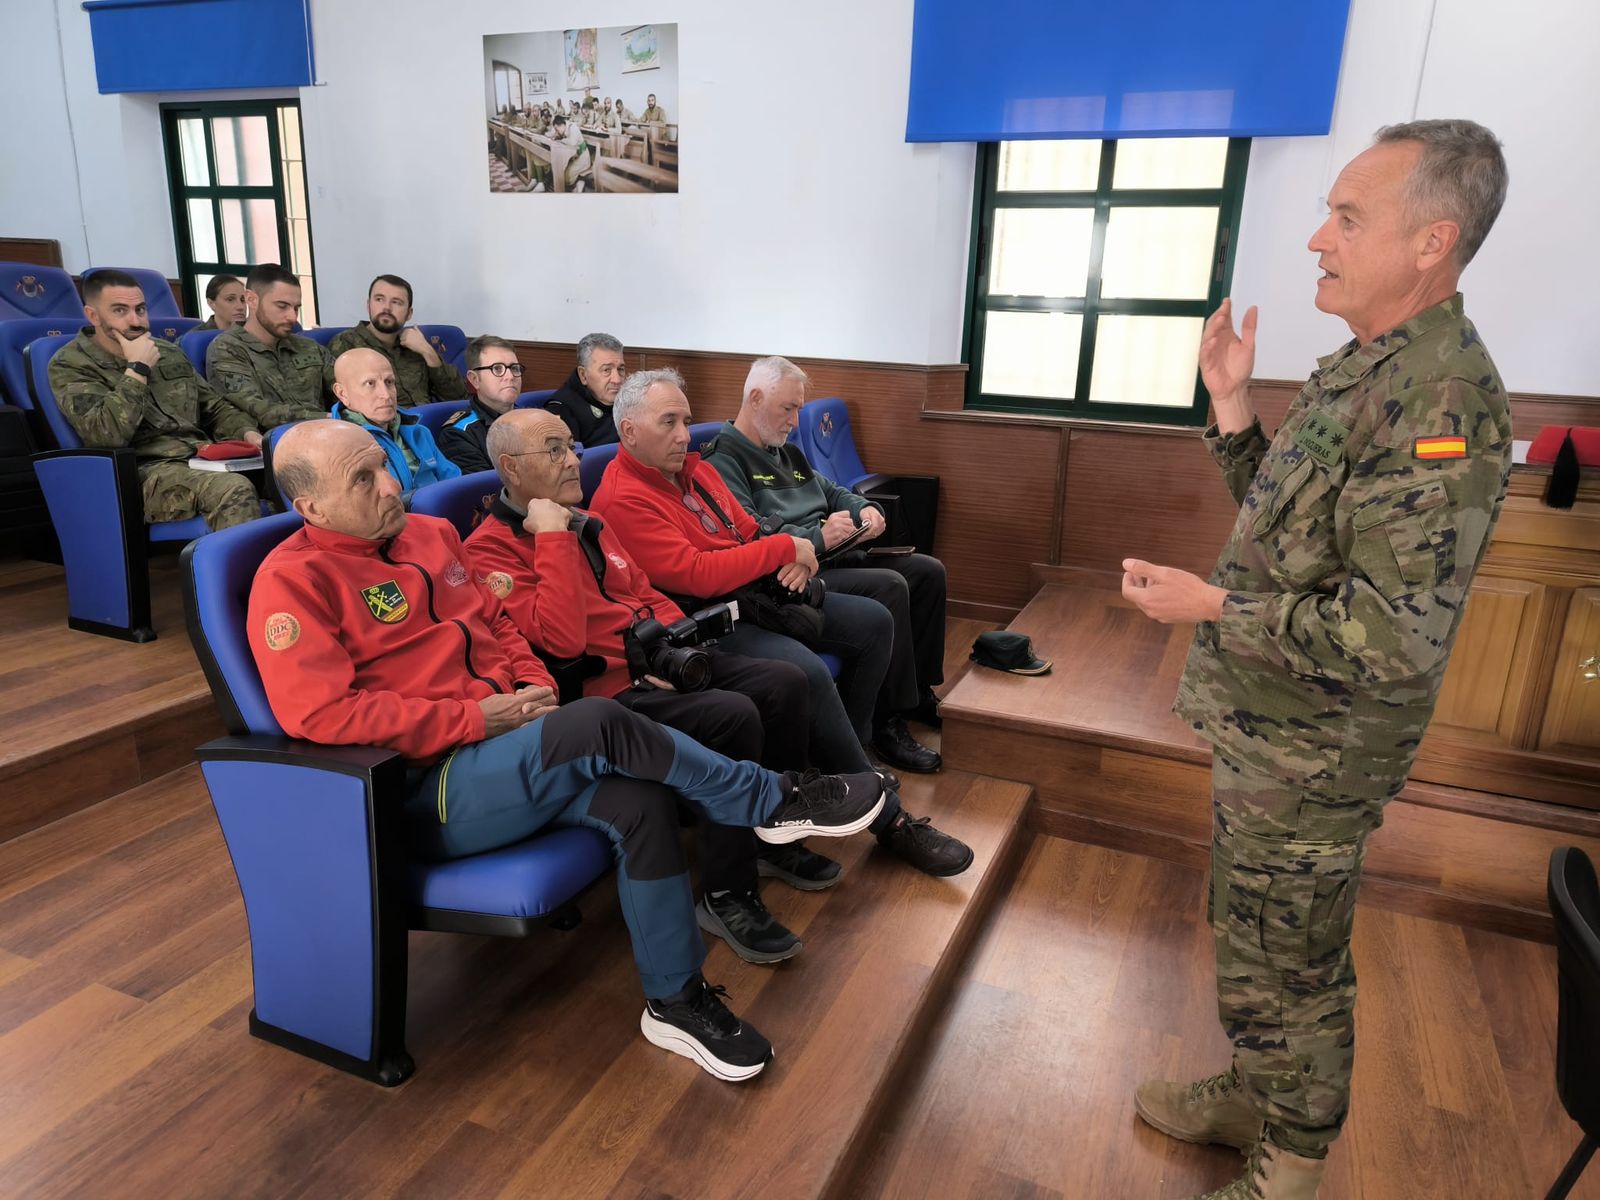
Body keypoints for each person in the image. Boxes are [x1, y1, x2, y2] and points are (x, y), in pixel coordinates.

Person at [1121, 120, 1513, 1200]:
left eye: (1346, 217)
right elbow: (1292, 538)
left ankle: (1289, 1163)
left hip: (1320, 747)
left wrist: (1212, 606)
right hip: (1271, 728)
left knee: (1294, 958)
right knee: (1250, 933)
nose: (1314, 239)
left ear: (1431, 241)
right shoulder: (1366, 367)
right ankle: (1256, 1093)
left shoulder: (1442, 404)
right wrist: (1234, 408)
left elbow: (1388, 635)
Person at [251, 419, 884, 1081]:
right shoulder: (292, 582)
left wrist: (532, 681)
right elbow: (321, 713)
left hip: (508, 743)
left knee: (638, 801)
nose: (391, 484)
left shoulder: (432, 536)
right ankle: (772, 799)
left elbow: (496, 624)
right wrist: (470, 719)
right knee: (600, 721)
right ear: (311, 507)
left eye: (384, 463)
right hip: (425, 788)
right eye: (363, 478)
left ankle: (675, 997)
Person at [463, 408, 818, 962]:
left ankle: (771, 834)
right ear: (510, 468)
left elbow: (643, 590)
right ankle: (727, 892)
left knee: (786, 682)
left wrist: (680, 647)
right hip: (602, 695)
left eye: (571, 446)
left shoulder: (584, 520)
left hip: (656, 661)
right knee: (733, 714)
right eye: (553, 450)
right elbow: (558, 641)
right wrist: (552, 538)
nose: (573, 459)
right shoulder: (491, 551)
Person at [592, 368, 972, 877]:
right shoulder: (621, 497)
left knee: (875, 621)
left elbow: (747, 529)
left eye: (685, 420)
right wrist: (786, 548)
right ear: (630, 431)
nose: (685, 434)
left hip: (755, 595)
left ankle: (849, 758)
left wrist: (790, 555)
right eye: (669, 422)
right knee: (806, 672)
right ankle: (891, 821)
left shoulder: (696, 471)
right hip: (706, 621)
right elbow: (695, 574)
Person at [705, 356, 948, 767]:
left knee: (927, 572)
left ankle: (916, 692)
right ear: (756, 398)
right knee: (891, 586)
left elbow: (834, 492)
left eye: (799, 407)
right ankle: (885, 722)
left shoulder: (786, 452)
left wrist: (864, 510)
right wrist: (817, 539)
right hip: (791, 575)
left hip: (831, 555)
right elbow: (751, 533)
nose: (796, 420)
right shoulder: (723, 461)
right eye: (789, 407)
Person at [48, 270, 261, 530]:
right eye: (119, 311)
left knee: (292, 473)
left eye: (140, 309)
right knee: (232, 490)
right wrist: (137, 369)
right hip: (144, 473)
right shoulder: (70, 363)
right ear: (93, 316)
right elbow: (106, 436)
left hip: (200, 458)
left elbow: (214, 408)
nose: (135, 321)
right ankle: (239, 572)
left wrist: (249, 433)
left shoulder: (168, 351)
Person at [206, 263, 335, 431]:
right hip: (273, 446)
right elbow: (260, 411)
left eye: (296, 308)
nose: (292, 317)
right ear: (251, 299)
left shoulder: (309, 347)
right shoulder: (227, 349)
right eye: (282, 306)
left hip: (329, 436)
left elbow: (346, 388)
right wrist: (328, 418)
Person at [330, 348, 461, 491]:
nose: (386, 395)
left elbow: (455, 485)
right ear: (342, 394)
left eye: (389, 382)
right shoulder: (336, 447)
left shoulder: (418, 432)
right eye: (370, 384)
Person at [328, 274, 469, 408]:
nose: (387, 308)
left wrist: (428, 352)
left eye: (396, 302)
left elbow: (459, 397)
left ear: (409, 313)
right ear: (368, 305)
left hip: (425, 428)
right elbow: (340, 404)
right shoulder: (346, 345)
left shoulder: (417, 345)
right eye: (379, 299)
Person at [437, 334, 524, 474]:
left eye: (515, 368)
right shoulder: (457, 434)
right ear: (474, 379)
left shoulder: (533, 419)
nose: (510, 376)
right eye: (497, 369)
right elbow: (483, 491)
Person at [546, 332, 627, 447]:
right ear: (583, 375)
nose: (617, 380)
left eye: (621, 369)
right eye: (606, 370)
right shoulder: (561, 409)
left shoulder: (630, 399)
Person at [549, 114, 593, 193]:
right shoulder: (564, 128)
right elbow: (557, 135)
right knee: (561, 174)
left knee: (567, 178)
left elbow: (572, 143)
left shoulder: (573, 128)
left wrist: (560, 140)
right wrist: (558, 136)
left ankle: (580, 182)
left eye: (557, 129)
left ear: (562, 125)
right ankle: (579, 182)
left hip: (582, 158)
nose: (556, 132)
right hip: (574, 157)